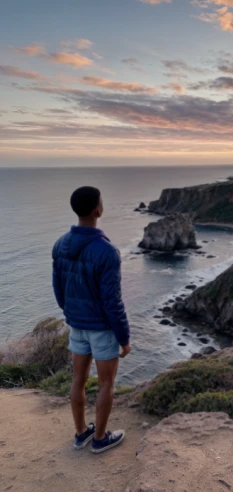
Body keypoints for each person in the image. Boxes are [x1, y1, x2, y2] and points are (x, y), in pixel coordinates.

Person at [52, 186, 131, 454]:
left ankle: (80, 433)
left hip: (77, 325)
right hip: (102, 329)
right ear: (98, 209)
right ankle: (99, 439)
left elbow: (59, 290)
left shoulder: (60, 244)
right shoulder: (107, 252)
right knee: (106, 383)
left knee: (78, 380)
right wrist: (124, 338)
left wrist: (71, 314)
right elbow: (113, 302)